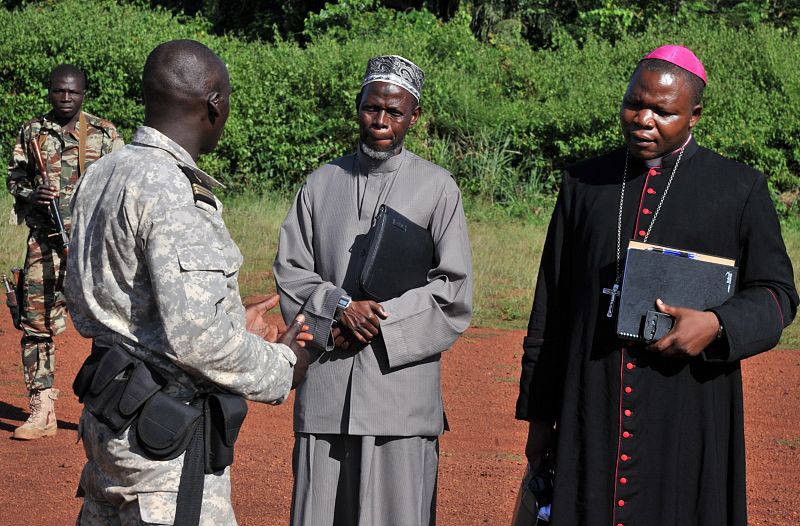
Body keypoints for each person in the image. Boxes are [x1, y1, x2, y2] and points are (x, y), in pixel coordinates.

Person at [515, 44, 798, 526]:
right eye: (634, 103)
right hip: (591, 399)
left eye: (662, 111)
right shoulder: (584, 183)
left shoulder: (738, 188)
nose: (643, 119)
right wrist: (540, 417)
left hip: (687, 405)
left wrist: (717, 324)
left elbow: (778, 293)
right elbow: (552, 306)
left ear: (694, 115)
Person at [65, 39, 312, 524]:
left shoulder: (104, 172)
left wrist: (227, 318)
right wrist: (286, 364)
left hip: (109, 427)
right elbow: (200, 342)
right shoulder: (173, 191)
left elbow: (88, 300)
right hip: (165, 455)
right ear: (214, 102)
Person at [273, 55, 473, 526]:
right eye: (371, 108)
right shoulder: (321, 184)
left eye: (395, 112)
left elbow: (453, 291)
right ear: (358, 107)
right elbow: (291, 270)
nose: (381, 122)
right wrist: (339, 307)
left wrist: (376, 321)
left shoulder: (438, 188)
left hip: (399, 399)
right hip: (326, 394)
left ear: (414, 117)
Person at [6, 64, 123, 440]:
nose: (66, 98)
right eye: (59, 91)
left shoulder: (104, 134)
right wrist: (31, 193)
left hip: (91, 248)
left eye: (73, 92)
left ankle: (107, 410)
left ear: (83, 93)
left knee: (109, 327)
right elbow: (15, 178)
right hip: (44, 243)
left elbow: (122, 184)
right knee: (36, 324)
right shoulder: (32, 132)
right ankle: (42, 409)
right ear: (50, 91)